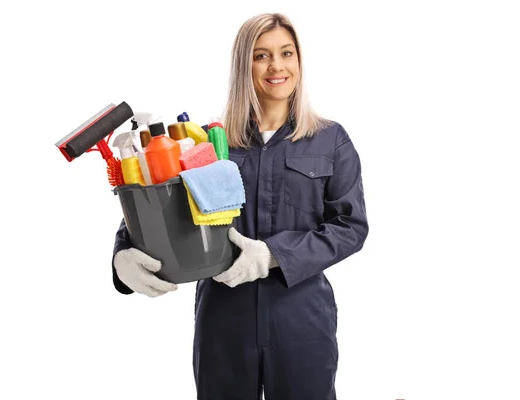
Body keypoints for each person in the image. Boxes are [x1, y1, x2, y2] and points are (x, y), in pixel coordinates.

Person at [111, 12, 369, 400]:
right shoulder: (209, 143)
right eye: (261, 55)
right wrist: (122, 257)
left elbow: (350, 227)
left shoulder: (330, 140)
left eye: (286, 53)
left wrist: (272, 255)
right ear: (243, 65)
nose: (277, 66)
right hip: (223, 317)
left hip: (300, 315)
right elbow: (155, 209)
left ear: (299, 60)